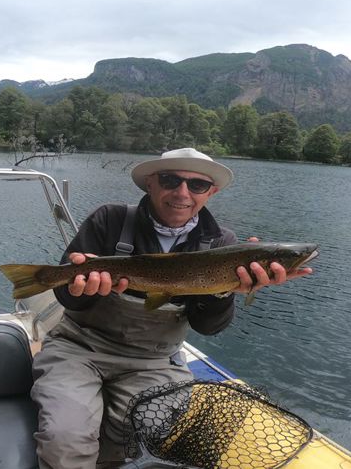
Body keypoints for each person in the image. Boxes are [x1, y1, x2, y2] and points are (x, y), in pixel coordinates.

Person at [30, 147, 312, 469]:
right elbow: (68, 298)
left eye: (197, 185)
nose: (182, 193)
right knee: (64, 437)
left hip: (153, 360)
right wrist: (79, 287)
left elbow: (208, 327)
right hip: (79, 348)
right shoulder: (109, 220)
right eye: (170, 180)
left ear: (211, 192)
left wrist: (225, 291)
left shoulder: (224, 244)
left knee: (136, 434)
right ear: (150, 183)